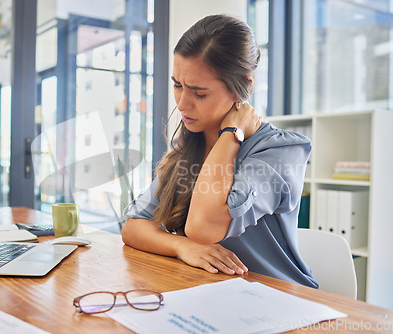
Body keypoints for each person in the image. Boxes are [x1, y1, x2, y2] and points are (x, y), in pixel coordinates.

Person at [121, 14, 318, 288]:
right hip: (212, 293)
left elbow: (202, 228)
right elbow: (133, 227)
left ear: (244, 87)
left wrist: (231, 134)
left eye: (199, 93)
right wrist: (181, 247)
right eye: (177, 85)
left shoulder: (281, 150)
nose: (182, 104)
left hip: (277, 298)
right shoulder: (191, 144)